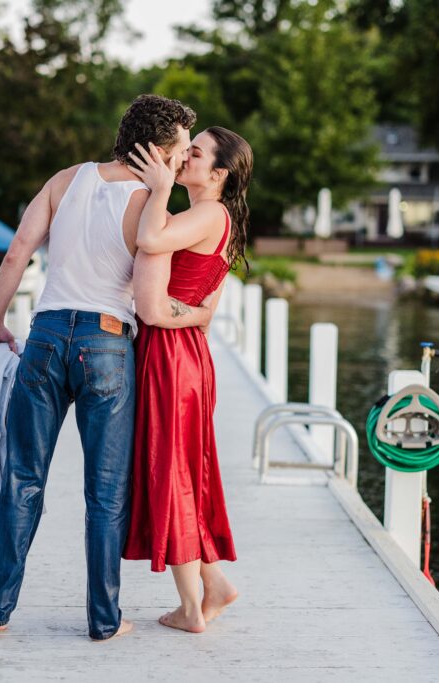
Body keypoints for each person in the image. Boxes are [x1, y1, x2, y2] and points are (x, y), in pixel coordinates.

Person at [0, 94, 217, 641]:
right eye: (181, 150)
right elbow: (158, 295)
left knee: (22, 480)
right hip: (107, 345)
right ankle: (105, 621)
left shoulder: (65, 180)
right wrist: (202, 313)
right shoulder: (153, 209)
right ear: (157, 149)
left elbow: (16, 253)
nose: (183, 162)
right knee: (105, 494)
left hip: (44, 336)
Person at [122, 126, 253, 634]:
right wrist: (184, 316)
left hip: (171, 359)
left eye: (194, 153)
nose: (182, 158)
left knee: (170, 474)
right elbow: (204, 313)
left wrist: (157, 189)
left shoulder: (207, 213)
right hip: (188, 355)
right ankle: (214, 584)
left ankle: (191, 608)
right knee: (182, 471)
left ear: (217, 174)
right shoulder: (221, 220)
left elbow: (150, 240)